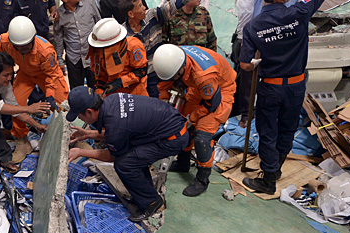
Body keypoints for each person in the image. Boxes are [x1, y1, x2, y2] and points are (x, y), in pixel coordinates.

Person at [66, 86, 189, 222]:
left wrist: (81, 151)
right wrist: (87, 134)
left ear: (89, 112)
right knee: (134, 157)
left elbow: (113, 155)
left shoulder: (116, 126)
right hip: (169, 124)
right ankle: (144, 193)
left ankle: (151, 202)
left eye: (79, 115)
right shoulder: (111, 100)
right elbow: (119, 130)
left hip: (172, 139)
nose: (79, 118)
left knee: (124, 163)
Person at [239, 0, 324, 194]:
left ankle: (268, 181)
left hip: (271, 86)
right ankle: (276, 167)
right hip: (296, 85)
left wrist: (256, 64)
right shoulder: (300, 11)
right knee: (288, 128)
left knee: (268, 132)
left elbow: (244, 65)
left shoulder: (253, 26)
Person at [0, 16, 68, 140]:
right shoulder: (5, 40)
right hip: (26, 74)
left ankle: (69, 136)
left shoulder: (46, 51)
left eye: (26, 46)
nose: (22, 49)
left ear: (33, 39)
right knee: (15, 104)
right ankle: (21, 139)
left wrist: (50, 96)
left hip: (47, 76)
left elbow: (52, 76)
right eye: (19, 46)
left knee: (62, 105)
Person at [153, 44, 236, 197]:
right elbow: (164, 83)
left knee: (202, 135)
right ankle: (183, 163)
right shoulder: (173, 57)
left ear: (181, 70)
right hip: (197, 87)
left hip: (220, 92)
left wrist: (192, 118)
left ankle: (202, 179)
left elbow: (211, 103)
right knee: (181, 124)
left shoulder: (204, 76)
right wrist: (164, 102)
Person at [120, 0, 186, 98]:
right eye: (140, 6)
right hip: (143, 81)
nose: (144, 8)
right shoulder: (123, 36)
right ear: (131, 14)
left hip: (163, 72)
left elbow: (173, 5)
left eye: (142, 4)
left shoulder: (152, 16)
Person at [87, 18, 148, 97]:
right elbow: (100, 76)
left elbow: (141, 71)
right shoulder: (97, 51)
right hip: (112, 96)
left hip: (135, 94)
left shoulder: (133, 46)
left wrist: (120, 82)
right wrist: (99, 91)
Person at [53, 0, 101, 89]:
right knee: (77, 91)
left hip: (92, 57)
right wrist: (59, 60)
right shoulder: (59, 14)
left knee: (97, 88)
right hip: (73, 59)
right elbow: (58, 39)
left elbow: (99, 25)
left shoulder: (90, 3)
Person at [231, 0, 255, 128]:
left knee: (244, 81)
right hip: (245, 39)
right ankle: (245, 115)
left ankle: (243, 112)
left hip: (244, 38)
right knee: (246, 81)